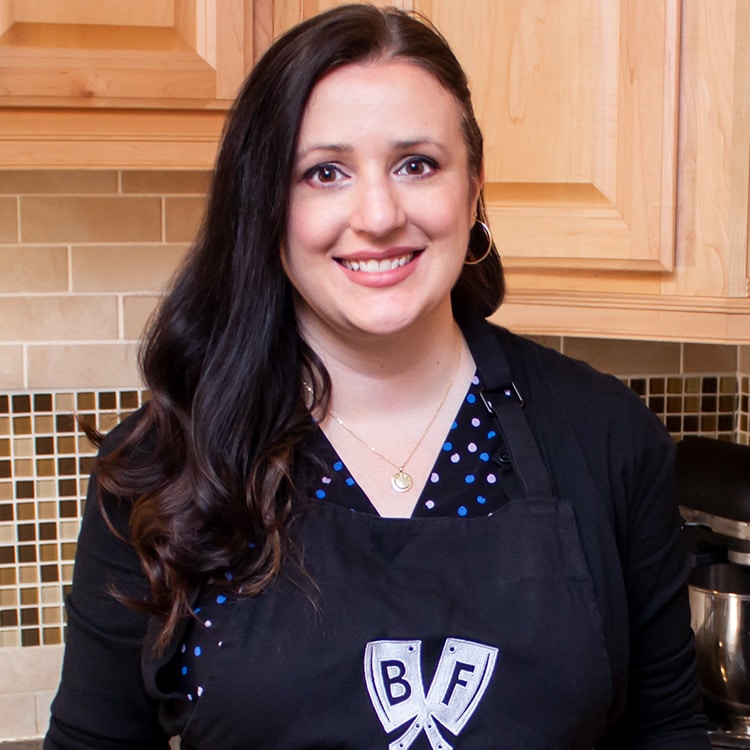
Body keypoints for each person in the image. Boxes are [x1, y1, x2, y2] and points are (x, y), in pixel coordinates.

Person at [44, 4, 709, 749]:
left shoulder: (607, 437)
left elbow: (668, 734)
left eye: (416, 164)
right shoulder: (166, 463)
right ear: (267, 205)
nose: (378, 213)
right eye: (324, 172)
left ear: (474, 187)